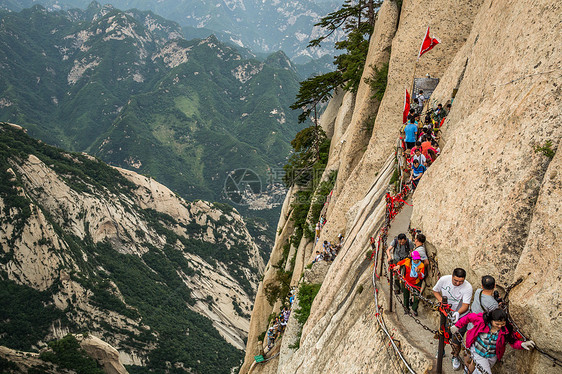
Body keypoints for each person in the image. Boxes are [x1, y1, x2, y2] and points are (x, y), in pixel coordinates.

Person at [451, 309, 535, 374]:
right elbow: (469, 317)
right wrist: (457, 326)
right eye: (497, 324)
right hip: (478, 352)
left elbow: (512, 342)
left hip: (492, 357)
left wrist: (522, 344)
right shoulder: (481, 320)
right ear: (491, 320)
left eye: (502, 324)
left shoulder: (506, 330)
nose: (499, 326)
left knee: (478, 371)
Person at [432, 268, 473, 370]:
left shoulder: (467, 287)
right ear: (452, 276)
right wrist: (442, 301)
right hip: (446, 313)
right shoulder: (444, 280)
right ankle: (441, 351)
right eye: (456, 281)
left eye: (461, 281)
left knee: (457, 339)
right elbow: (435, 291)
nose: (458, 283)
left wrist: (457, 313)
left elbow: (466, 305)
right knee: (444, 333)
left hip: (461, 316)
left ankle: (455, 356)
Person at [396, 251, 425, 316]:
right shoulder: (407, 261)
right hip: (406, 281)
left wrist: (418, 272)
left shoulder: (421, 265)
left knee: (416, 297)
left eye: (418, 259)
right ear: (412, 258)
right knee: (406, 295)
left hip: (416, 283)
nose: (416, 261)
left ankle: (414, 309)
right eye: (415, 259)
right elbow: (400, 262)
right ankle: (406, 309)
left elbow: (422, 277)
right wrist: (398, 265)